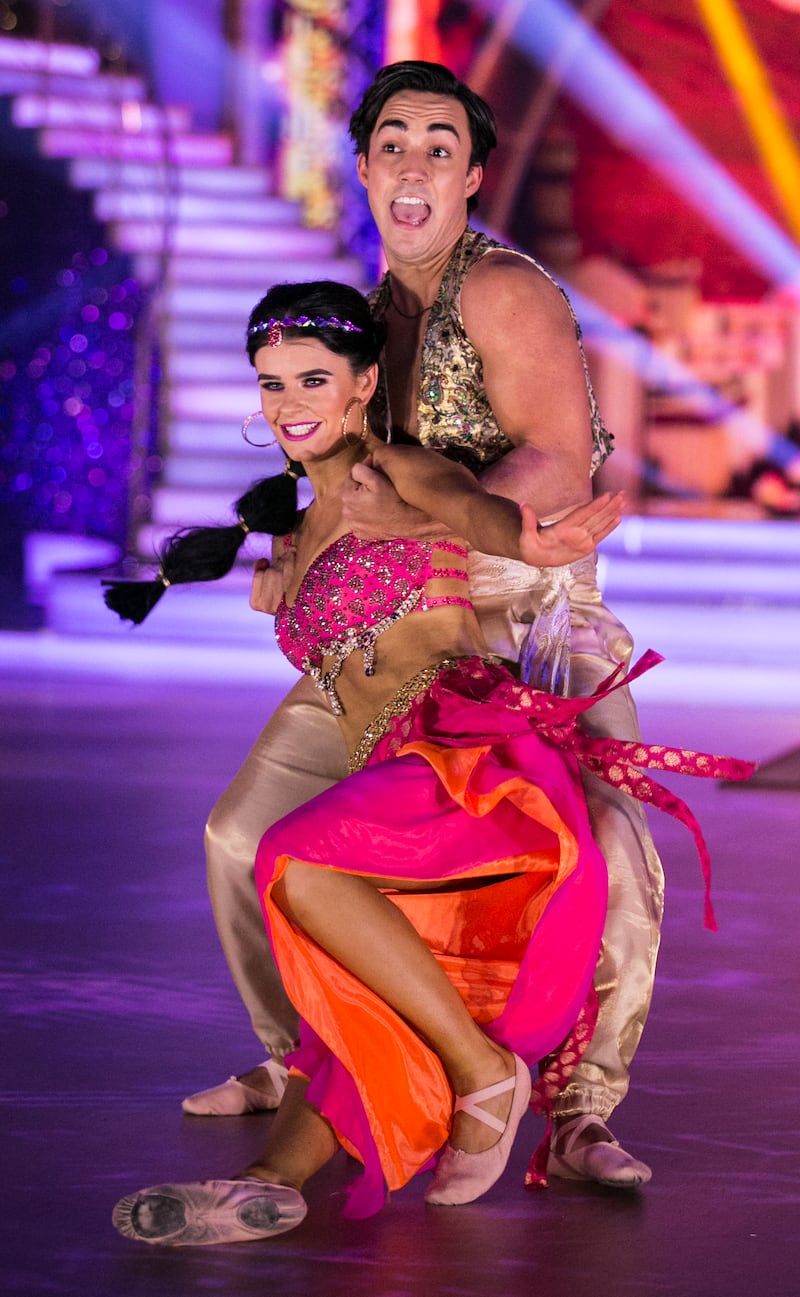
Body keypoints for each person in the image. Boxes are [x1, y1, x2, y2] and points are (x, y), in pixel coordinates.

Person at [113, 284, 747, 1247]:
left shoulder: (400, 471)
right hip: (388, 769)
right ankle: (262, 1189)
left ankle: (487, 1072)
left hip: (465, 747)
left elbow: (471, 508)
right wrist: (284, 581)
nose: (291, 401)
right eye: (273, 383)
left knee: (297, 859)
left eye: (315, 379)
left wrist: (524, 539)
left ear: (366, 386)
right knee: (342, 1032)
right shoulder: (294, 533)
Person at [184, 61, 662, 1189]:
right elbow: (343, 468)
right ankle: (302, 1058)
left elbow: (557, 455)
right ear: (362, 169)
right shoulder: (360, 312)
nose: (412, 165)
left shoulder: (502, 293)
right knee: (240, 836)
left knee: (609, 836)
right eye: (392, 143)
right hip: (399, 617)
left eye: (437, 146)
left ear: (472, 174)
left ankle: (582, 1107)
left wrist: (432, 521)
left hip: (526, 607)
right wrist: (304, 553)